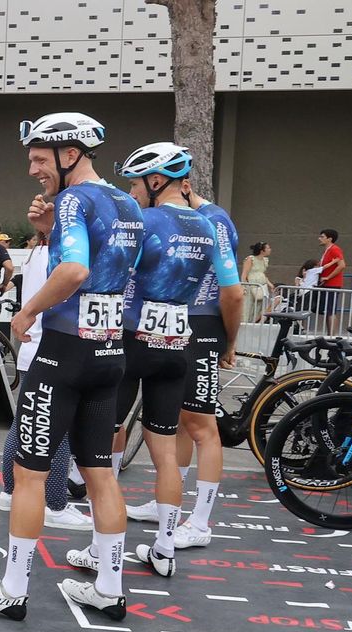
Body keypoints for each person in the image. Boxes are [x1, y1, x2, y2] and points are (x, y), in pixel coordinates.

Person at [0, 112, 143, 621]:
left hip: (64, 351)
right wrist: (48, 230)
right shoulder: (126, 201)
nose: (34, 169)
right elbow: (117, 270)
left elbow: (76, 268)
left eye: (40, 159)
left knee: (29, 473)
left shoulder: (75, 200)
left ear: (70, 154)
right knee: (100, 474)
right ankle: (109, 586)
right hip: (109, 353)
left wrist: (27, 310)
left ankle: (12, 591)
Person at [110, 142, 239, 577]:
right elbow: (224, 281)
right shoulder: (206, 225)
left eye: (134, 183)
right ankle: (163, 547)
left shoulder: (144, 221)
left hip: (135, 337)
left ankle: (101, 545)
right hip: (177, 340)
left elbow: (106, 272)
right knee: (165, 447)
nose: (132, 192)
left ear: (155, 180)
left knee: (107, 436)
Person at [0, 230, 93, 531]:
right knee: (57, 429)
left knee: (23, 425)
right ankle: (54, 503)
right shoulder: (53, 254)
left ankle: (11, 492)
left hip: (34, 350)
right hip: (48, 349)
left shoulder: (39, 251)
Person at [315, 228, 346, 334]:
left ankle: (332, 335)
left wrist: (328, 277)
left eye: (322, 237)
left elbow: (342, 265)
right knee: (328, 310)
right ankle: (330, 334)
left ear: (330, 239)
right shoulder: (327, 250)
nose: (319, 239)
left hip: (332, 284)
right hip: (326, 284)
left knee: (331, 310)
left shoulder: (335, 249)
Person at [241, 241, 276, 321]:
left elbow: (263, 274)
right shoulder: (250, 259)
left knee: (258, 306)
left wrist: (270, 284)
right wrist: (243, 286)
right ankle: (245, 323)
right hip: (251, 286)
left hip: (261, 287)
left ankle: (253, 322)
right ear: (262, 250)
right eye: (268, 248)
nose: (270, 249)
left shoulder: (265, 260)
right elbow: (244, 274)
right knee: (248, 306)